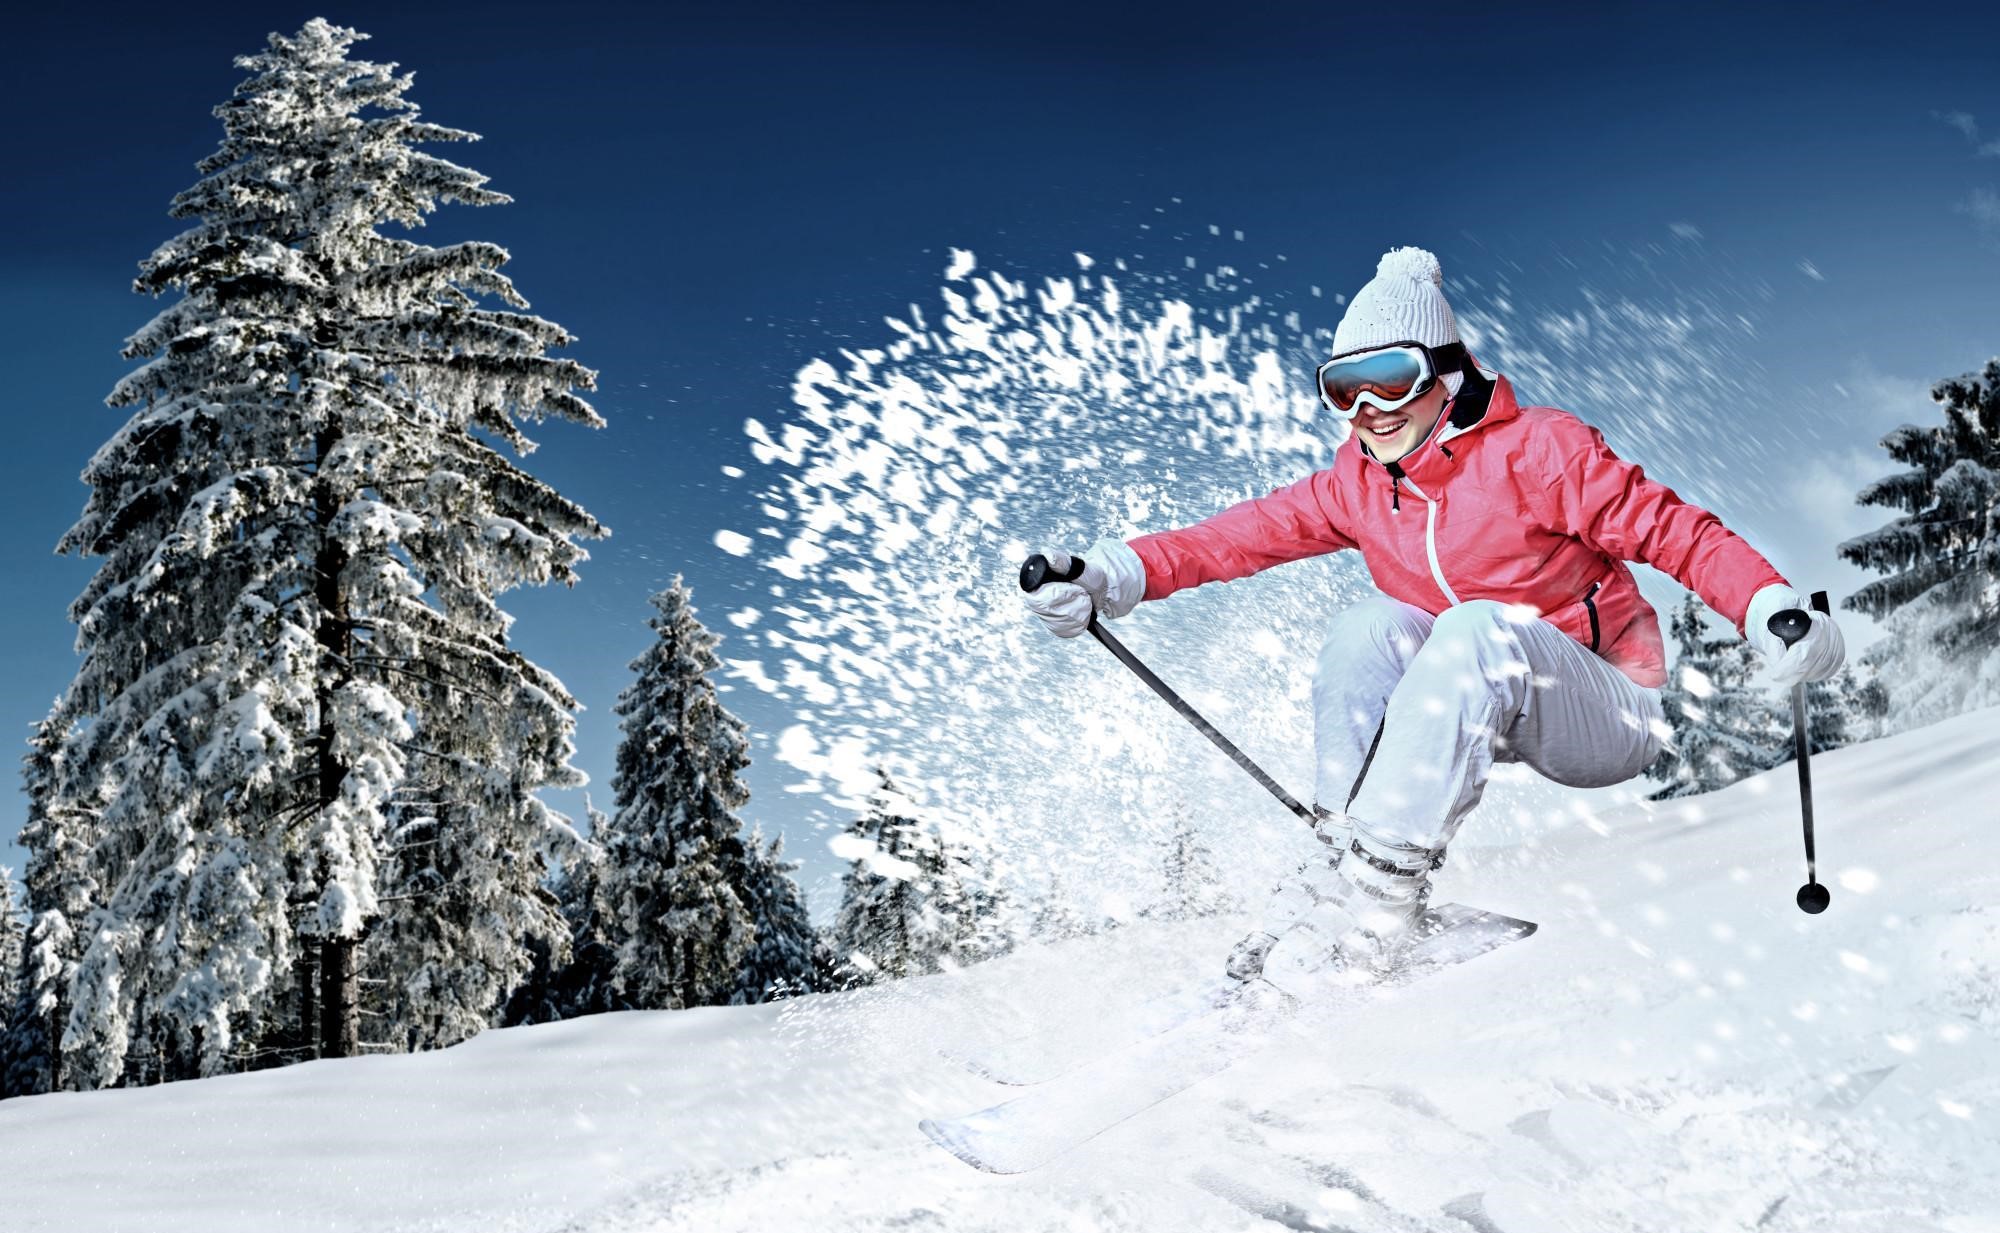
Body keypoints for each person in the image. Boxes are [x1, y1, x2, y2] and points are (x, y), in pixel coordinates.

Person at [1021, 246, 1847, 986]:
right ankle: (1338, 864)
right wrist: (1110, 573)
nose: (1368, 409)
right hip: (1478, 704)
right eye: (1343, 389)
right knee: (1370, 627)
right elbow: (1235, 538)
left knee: (1477, 626)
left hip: (1607, 707)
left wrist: (1768, 603)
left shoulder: (1539, 451)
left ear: (1446, 374)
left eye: (1391, 378)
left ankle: (1379, 902)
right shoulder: (1360, 482)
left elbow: (1676, 531)